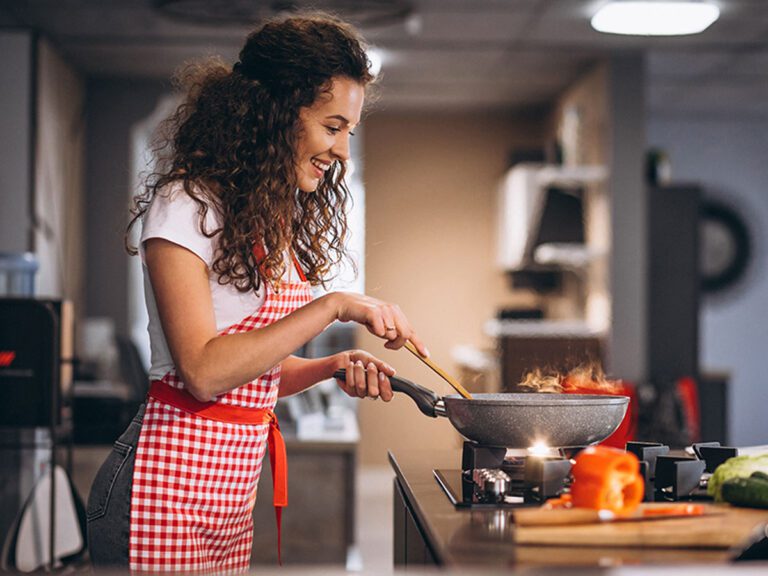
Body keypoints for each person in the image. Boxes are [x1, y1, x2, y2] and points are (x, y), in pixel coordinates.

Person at [86, 12, 427, 573]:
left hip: (225, 501)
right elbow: (202, 371)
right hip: (161, 489)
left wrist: (332, 365)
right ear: (275, 114)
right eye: (332, 126)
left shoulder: (263, 218)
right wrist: (335, 304)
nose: (341, 150)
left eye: (349, 131)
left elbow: (253, 373)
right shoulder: (187, 204)